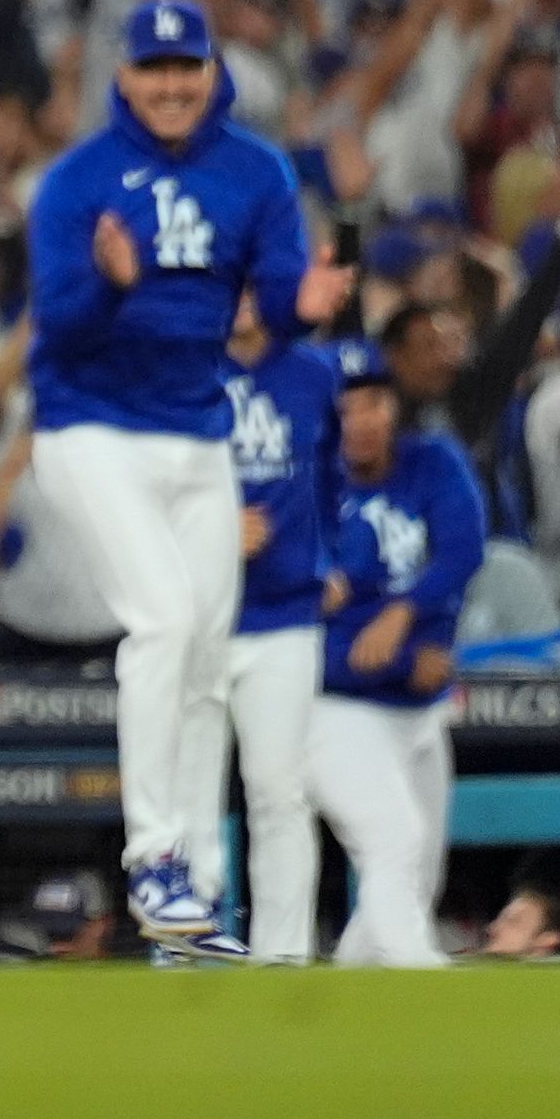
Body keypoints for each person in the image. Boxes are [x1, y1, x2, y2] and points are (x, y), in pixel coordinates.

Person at [18, 0, 338, 952]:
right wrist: (111, 282)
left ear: (210, 72)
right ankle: (153, 855)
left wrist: (306, 308)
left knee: (202, 656)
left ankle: (191, 891)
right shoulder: (76, 182)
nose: (169, 85)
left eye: (184, 68)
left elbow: (274, 305)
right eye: (152, 69)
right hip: (90, 427)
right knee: (160, 618)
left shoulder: (256, 171)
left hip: (198, 434)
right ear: (122, 77)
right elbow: (58, 329)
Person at [309, 335, 484, 968]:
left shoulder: (432, 461)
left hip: (421, 711)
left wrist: (400, 612)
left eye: (374, 401)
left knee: (415, 878)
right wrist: (410, 651)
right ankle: (425, 979)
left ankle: (349, 999)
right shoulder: (309, 491)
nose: (363, 419)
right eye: (347, 406)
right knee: (395, 841)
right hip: (332, 711)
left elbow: (463, 551)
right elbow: (315, 628)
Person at [209, 283, 338, 964]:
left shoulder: (314, 374)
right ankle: (189, 945)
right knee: (187, 794)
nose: (243, 297)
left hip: (285, 614)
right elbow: (140, 492)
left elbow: (341, 480)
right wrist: (210, 530)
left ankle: (281, 958)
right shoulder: (181, 372)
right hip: (198, 615)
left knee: (279, 792)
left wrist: (336, 559)